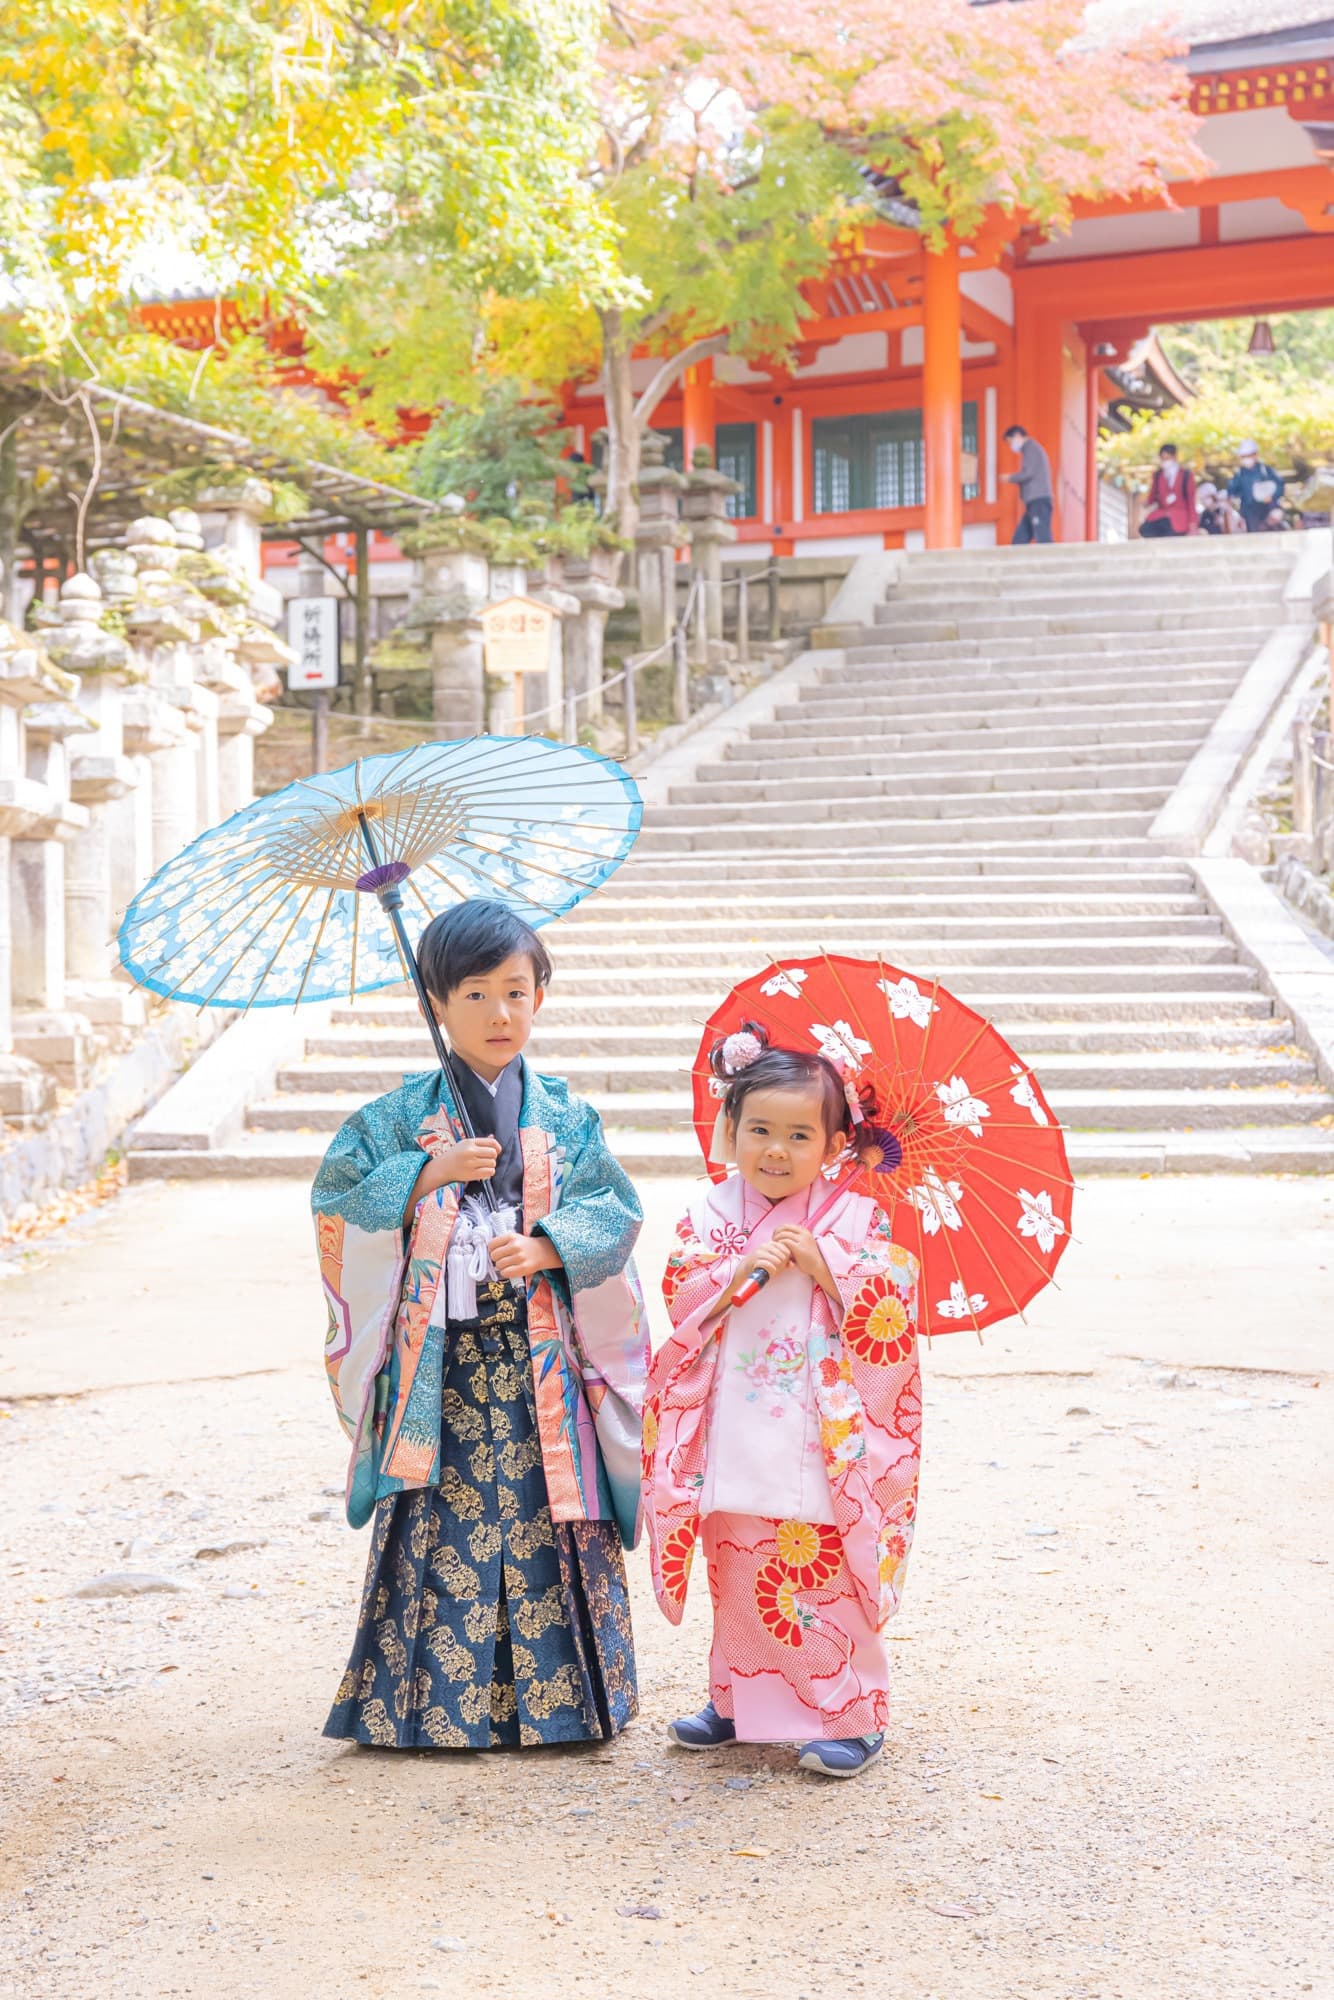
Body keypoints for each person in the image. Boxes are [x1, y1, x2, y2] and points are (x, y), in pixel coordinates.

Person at [314, 898, 648, 1751]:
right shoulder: (392, 1120)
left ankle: (569, 1703)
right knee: (439, 1516)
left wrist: (547, 1247)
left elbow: (614, 1207)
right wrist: (428, 1174)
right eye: (474, 995)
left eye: (517, 991)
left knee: (550, 1517)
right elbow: (338, 1203)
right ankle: (424, 1709)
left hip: (541, 1362)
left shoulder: (566, 1113)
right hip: (445, 1368)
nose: (500, 1015)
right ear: (434, 1002)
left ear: (540, 994)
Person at [643, 1026, 921, 1779]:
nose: (775, 1149)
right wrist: (737, 1270)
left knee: (821, 1576)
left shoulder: (854, 1219)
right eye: (758, 1129)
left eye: (800, 1135)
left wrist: (829, 1263)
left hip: (818, 1435)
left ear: (834, 1143)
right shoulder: (708, 1215)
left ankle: (851, 1714)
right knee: (737, 1566)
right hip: (731, 1428)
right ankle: (736, 1700)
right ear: (729, 1129)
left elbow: (893, 1305)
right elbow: (681, 1293)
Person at [1003, 423, 1054, 543]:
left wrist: (1010, 478)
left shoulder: (1031, 448)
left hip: (1039, 500)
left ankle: (1051, 561)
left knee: (1043, 536)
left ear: (1017, 436)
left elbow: (1028, 473)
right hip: (1033, 502)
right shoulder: (1029, 450)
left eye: (1010, 442)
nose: (1011, 446)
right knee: (1019, 539)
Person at [1138, 443, 1196, 538]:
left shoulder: (1186, 475)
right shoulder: (1158, 475)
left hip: (1179, 518)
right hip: (1162, 516)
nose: (1166, 462)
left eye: (1168, 458)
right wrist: (1144, 503)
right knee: (1146, 529)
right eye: (1163, 459)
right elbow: (1151, 498)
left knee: (1170, 533)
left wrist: (1193, 524)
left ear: (1174, 457)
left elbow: (1191, 502)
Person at [1227, 442, 1286, 532]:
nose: (1246, 459)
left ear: (1255, 455)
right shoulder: (1239, 475)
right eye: (1243, 456)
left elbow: (1280, 486)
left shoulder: (1266, 471)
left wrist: (1272, 497)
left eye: (1248, 455)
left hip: (1268, 508)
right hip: (1249, 511)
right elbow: (1232, 492)